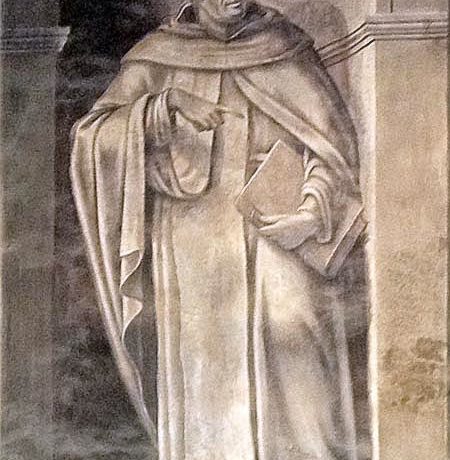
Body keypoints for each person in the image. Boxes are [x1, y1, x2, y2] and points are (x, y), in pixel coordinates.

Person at [71, 1, 363, 459]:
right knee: (206, 377)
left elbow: (331, 150)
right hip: (192, 243)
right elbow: (92, 139)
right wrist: (162, 107)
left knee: (296, 335)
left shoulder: (283, 47)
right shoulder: (160, 55)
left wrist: (311, 212)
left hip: (281, 234)